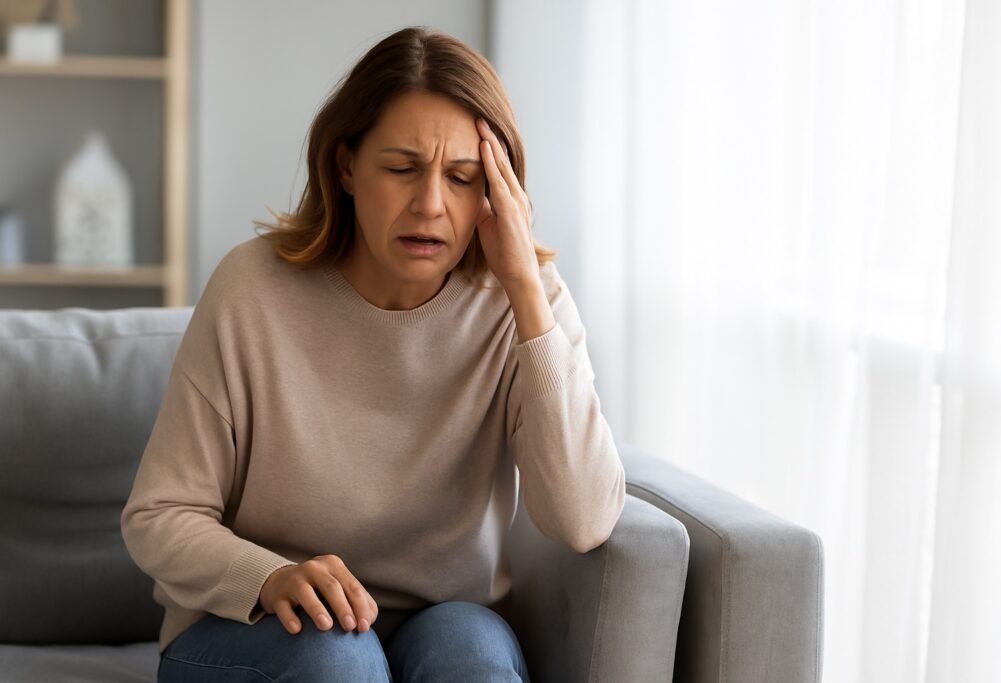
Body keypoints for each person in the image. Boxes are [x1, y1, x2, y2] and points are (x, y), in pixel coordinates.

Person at [121, 24, 626, 683]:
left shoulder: (522, 300)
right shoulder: (252, 290)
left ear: (495, 192)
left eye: (463, 177)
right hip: (258, 630)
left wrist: (527, 289)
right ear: (346, 165)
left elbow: (584, 519)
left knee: (472, 656)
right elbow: (157, 516)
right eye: (402, 168)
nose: (430, 204)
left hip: (441, 615)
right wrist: (271, 575)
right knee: (338, 659)